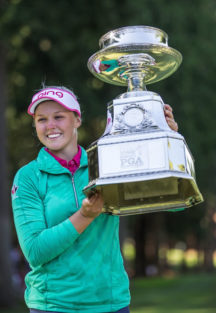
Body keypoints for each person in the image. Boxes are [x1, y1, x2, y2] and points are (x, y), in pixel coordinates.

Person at [11, 86, 178, 313]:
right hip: (54, 305)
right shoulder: (28, 177)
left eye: (59, 117)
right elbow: (35, 251)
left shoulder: (106, 163)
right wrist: (85, 216)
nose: (50, 125)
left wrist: (167, 141)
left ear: (77, 120)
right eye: (42, 119)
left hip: (110, 303)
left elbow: (170, 203)